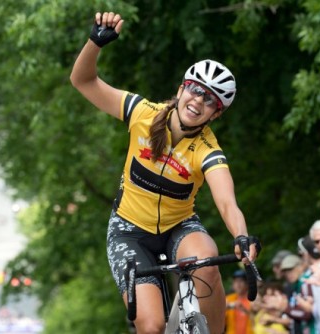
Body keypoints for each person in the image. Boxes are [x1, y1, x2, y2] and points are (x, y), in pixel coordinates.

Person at [70, 11, 259, 334]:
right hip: (129, 231)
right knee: (152, 325)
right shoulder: (141, 113)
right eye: (196, 90)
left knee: (207, 261)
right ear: (182, 87)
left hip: (178, 228)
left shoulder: (207, 150)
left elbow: (227, 203)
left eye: (211, 100)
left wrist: (241, 236)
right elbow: (82, 81)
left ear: (217, 114)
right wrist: (94, 44)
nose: (199, 101)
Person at [225, 269, 254, 334]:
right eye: (235, 281)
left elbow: (257, 320)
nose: (238, 284)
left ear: (247, 283)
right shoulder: (229, 299)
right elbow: (221, 322)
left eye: (241, 281)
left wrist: (245, 310)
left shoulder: (253, 299)